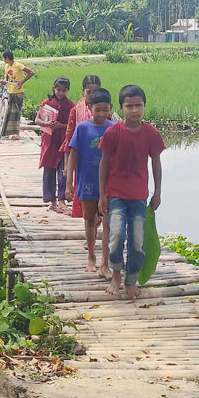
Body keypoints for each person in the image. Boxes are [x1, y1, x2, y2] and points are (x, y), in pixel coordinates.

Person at [99, 85, 165, 298]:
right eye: (129, 106)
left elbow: (156, 163)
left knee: (137, 241)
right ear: (121, 108)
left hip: (138, 196)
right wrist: (102, 195)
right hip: (116, 194)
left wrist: (158, 192)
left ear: (144, 106)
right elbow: (104, 164)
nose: (135, 110)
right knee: (116, 235)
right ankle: (116, 273)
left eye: (138, 105)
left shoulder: (151, 133)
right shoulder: (113, 133)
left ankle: (131, 280)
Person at [65, 88, 114, 276]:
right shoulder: (83, 128)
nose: (101, 114)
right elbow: (73, 154)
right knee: (89, 220)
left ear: (110, 108)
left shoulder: (113, 128)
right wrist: (69, 182)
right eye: (97, 109)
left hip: (109, 183)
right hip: (86, 181)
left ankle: (105, 262)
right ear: (89, 107)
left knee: (108, 222)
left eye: (105, 109)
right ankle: (91, 256)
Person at [60, 74, 102, 219]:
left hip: (101, 162)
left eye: (96, 91)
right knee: (85, 202)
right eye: (89, 92)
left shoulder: (103, 110)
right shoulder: (76, 110)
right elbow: (69, 139)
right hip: (82, 162)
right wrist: (67, 168)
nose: (92, 95)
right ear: (82, 91)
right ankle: (89, 233)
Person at [35, 77, 74, 213]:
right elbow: (37, 119)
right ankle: (52, 200)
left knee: (64, 170)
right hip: (49, 141)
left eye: (64, 90)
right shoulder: (46, 103)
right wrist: (47, 124)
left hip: (63, 141)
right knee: (49, 170)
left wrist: (61, 126)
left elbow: (73, 124)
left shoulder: (71, 105)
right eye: (58, 90)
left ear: (68, 91)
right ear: (53, 88)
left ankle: (62, 199)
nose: (61, 93)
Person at [1, 50, 34, 140]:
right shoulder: (7, 66)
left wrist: (21, 82)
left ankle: (15, 134)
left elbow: (31, 72)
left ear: (7, 58)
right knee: (7, 112)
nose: (3, 60)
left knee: (15, 113)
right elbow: (6, 75)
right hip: (9, 91)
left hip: (18, 92)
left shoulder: (18, 65)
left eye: (3, 58)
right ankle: (6, 132)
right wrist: (4, 80)